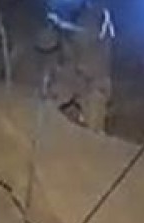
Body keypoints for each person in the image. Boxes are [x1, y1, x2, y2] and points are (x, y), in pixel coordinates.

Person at [35, 0, 115, 131]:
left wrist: (60, 25)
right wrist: (50, 27)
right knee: (48, 108)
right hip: (70, 76)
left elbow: (88, 36)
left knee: (93, 132)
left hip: (94, 81)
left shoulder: (102, 15)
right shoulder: (71, 12)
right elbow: (44, 44)